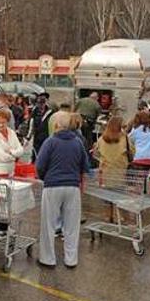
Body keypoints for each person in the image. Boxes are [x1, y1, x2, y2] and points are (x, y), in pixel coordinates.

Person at [35, 111, 90, 268]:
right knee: (72, 226)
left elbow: (39, 165)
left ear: (56, 125)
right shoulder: (78, 142)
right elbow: (85, 166)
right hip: (72, 187)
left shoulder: (50, 142)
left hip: (52, 186)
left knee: (48, 224)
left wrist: (44, 177)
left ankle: (48, 259)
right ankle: (71, 260)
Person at [94, 116, 133, 221]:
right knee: (122, 198)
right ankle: (125, 220)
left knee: (107, 199)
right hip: (120, 174)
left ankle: (109, 218)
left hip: (105, 174)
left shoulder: (101, 139)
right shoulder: (124, 138)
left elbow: (96, 153)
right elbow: (132, 152)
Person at [0, 108, 24, 176]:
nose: (1, 125)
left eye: (3, 122)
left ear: (7, 122)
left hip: (10, 171)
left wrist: (11, 152)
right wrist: (14, 157)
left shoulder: (12, 132)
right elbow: (2, 156)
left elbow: (21, 150)